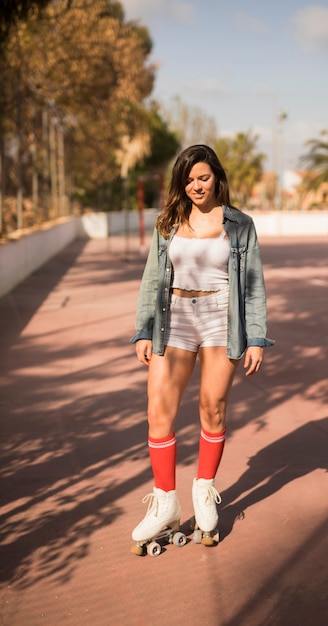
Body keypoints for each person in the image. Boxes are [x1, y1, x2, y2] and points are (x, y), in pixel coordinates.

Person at [130, 144, 274, 546]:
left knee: (212, 407)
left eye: (204, 177)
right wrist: (143, 329)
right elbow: (151, 278)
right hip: (173, 316)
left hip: (219, 319)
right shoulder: (169, 221)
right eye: (189, 179)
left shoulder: (240, 224)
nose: (196, 185)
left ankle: (204, 491)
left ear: (217, 178)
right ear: (182, 182)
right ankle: (165, 503)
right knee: (158, 408)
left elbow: (254, 284)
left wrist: (256, 337)